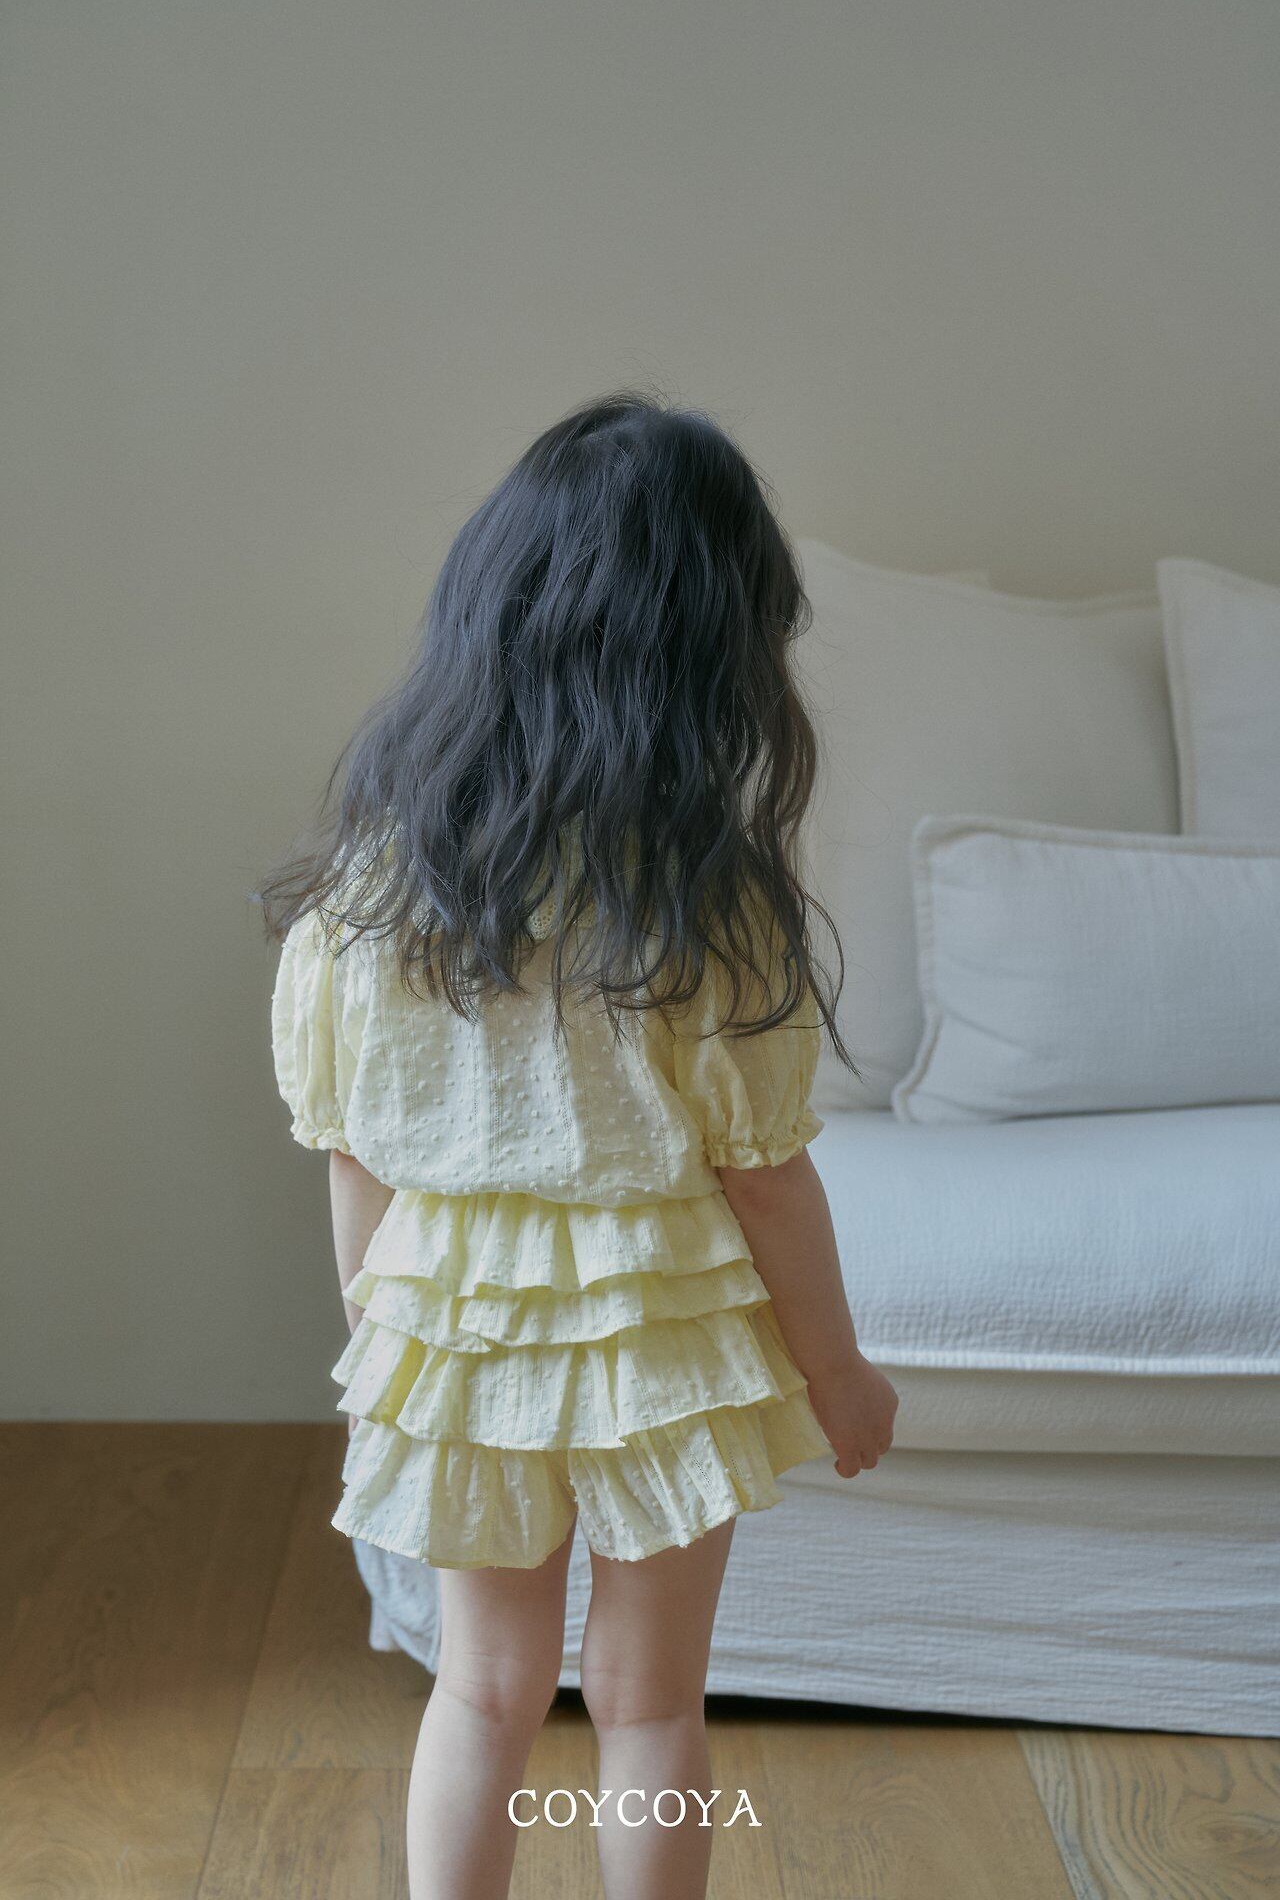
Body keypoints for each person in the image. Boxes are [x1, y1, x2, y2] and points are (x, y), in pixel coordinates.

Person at [257, 392, 897, 1900]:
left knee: (481, 1690)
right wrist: (838, 1373)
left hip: (457, 1337)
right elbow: (765, 1176)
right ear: (716, 658)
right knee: (649, 1702)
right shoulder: (706, 905)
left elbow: (354, 1157)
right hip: (662, 1342)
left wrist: (382, 1347)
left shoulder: (376, 895)